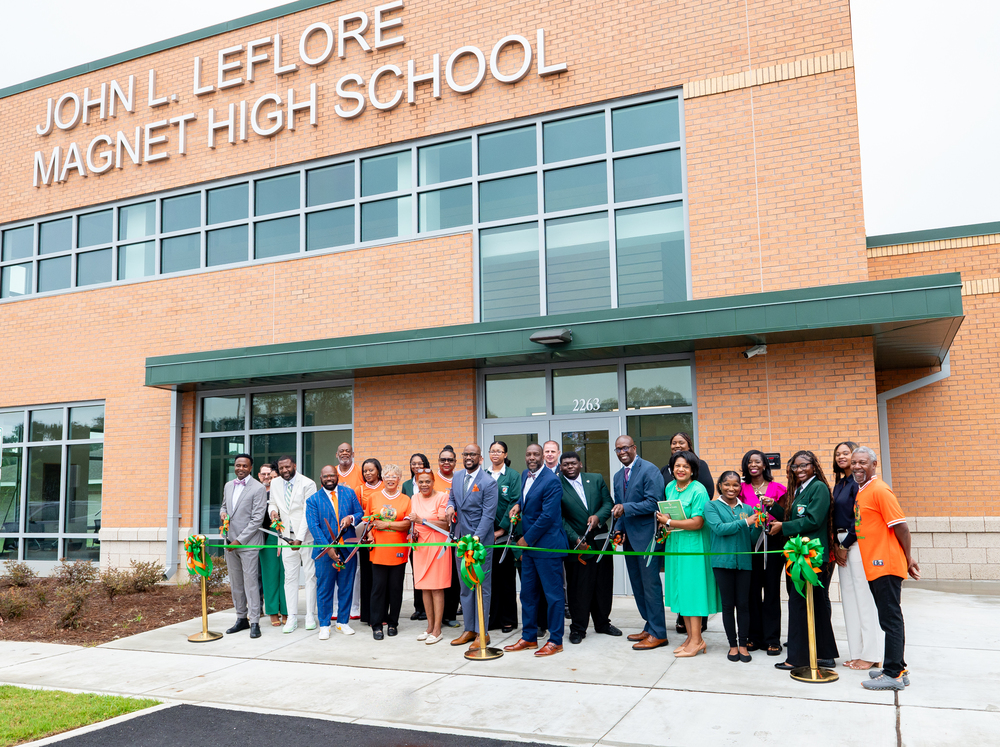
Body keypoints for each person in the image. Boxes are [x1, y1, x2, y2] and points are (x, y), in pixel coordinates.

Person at [852, 446, 921, 691]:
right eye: (854, 462)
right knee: (888, 619)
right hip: (875, 564)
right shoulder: (864, 490)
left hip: (885, 564)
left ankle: (893, 674)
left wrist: (908, 558)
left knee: (891, 620)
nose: (857, 466)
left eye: (862, 462)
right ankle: (898, 668)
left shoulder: (880, 490)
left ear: (874, 464)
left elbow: (901, 526)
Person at [769, 450, 839, 670]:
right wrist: (773, 507)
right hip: (800, 554)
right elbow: (793, 517)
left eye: (803, 465)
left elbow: (813, 520)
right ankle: (825, 654)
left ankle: (797, 658)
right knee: (813, 605)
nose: (798, 470)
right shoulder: (800, 489)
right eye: (795, 466)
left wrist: (783, 527)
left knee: (799, 605)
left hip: (811, 557)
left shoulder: (818, 487)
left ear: (814, 466)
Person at [504, 443, 568, 656]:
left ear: (543, 457)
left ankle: (556, 640)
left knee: (553, 596)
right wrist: (518, 504)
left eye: (536, 454)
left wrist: (526, 539)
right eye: (528, 454)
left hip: (547, 546)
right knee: (527, 594)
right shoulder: (525, 475)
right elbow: (528, 498)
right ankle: (529, 637)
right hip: (530, 550)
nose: (532, 457)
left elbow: (548, 516)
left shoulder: (552, 480)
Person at [656, 450, 720, 657]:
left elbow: (698, 522)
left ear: (692, 470)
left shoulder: (698, 490)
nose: (681, 469)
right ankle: (691, 638)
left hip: (693, 546)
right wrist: (665, 522)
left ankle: (698, 640)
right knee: (681, 590)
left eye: (685, 466)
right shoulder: (670, 487)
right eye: (677, 466)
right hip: (675, 544)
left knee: (693, 592)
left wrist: (668, 521)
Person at [611, 435, 668, 649]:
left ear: (634, 448)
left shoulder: (649, 470)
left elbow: (654, 503)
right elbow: (619, 505)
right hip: (629, 540)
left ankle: (659, 633)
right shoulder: (618, 476)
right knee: (638, 586)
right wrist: (618, 529)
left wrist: (626, 508)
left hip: (647, 538)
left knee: (651, 586)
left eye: (625, 448)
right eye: (618, 449)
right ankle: (650, 625)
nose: (622, 452)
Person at [831, 441, 884, 670]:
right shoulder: (840, 484)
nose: (841, 457)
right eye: (838, 454)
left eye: (846, 453)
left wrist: (845, 544)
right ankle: (857, 652)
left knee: (864, 598)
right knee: (849, 600)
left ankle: (872, 654)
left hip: (856, 543)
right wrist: (836, 543)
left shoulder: (860, 484)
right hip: (841, 542)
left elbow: (858, 518)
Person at [559, 451, 620, 643]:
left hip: (601, 543)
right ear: (560, 467)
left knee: (603, 586)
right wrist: (575, 538)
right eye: (566, 464)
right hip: (578, 546)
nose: (570, 467)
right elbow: (558, 517)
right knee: (579, 589)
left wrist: (598, 517)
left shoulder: (595, 479)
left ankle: (602, 623)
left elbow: (608, 503)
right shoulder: (556, 484)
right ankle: (578, 628)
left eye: (573, 463)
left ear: (580, 464)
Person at [445, 444, 499, 650]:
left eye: (473, 454)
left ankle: (482, 632)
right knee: (466, 586)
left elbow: (488, 515)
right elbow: (452, 498)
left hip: (479, 543)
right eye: (466, 454)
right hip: (461, 541)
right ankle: (469, 629)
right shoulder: (457, 476)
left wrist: (475, 539)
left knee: (481, 587)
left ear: (480, 458)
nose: (469, 457)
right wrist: (450, 506)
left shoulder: (488, 482)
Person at [705, 470, 759, 663]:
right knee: (728, 606)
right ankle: (732, 645)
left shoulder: (748, 509)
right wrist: (745, 522)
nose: (731, 488)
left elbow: (752, 539)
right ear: (720, 485)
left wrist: (758, 525)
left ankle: (743, 645)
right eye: (727, 484)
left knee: (743, 605)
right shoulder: (711, 506)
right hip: (722, 562)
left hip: (744, 563)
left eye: (735, 485)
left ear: (740, 487)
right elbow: (719, 529)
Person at [305, 465, 363, 639]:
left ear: (337, 476)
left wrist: (351, 518)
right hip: (324, 553)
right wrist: (328, 548)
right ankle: (324, 624)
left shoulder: (349, 493)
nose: (329, 478)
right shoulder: (313, 500)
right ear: (320, 478)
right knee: (325, 588)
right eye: (325, 476)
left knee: (346, 586)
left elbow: (360, 512)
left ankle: (343, 622)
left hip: (347, 549)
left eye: (332, 475)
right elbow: (314, 526)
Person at [740, 449, 786, 655]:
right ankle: (754, 636)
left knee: (772, 591)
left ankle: (772, 638)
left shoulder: (778, 488)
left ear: (765, 465)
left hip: (773, 543)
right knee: (752, 591)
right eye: (749, 462)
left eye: (757, 461)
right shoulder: (741, 488)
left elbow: (785, 515)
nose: (753, 465)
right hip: (750, 544)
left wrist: (772, 506)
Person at [268, 455, 319, 633]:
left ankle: (310, 614)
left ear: (294, 466)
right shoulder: (275, 483)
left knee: (310, 576)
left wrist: (300, 538)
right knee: (290, 577)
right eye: (281, 468)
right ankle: (292, 617)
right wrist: (272, 512)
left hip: (306, 538)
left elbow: (308, 513)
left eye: (287, 467)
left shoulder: (308, 484)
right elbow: (272, 503)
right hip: (285, 538)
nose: (284, 470)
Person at [221, 454, 267, 639]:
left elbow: (257, 519)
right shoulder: (228, 485)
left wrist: (239, 541)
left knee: (251, 583)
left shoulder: (258, 488)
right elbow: (224, 506)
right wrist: (223, 513)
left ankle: (254, 621)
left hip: (248, 543)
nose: (240, 468)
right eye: (238, 465)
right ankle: (241, 618)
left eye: (244, 466)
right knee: (236, 583)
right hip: (229, 542)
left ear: (250, 468)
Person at [367, 464, 412, 640]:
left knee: (395, 588)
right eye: (387, 476)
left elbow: (406, 524)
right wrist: (370, 535)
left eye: (394, 476)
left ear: (399, 479)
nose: (390, 479)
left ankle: (393, 623)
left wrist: (386, 524)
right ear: (382, 478)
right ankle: (377, 624)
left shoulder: (405, 500)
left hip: (398, 550)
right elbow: (368, 522)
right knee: (378, 588)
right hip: (379, 550)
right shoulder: (374, 497)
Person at [409, 469, 452, 644]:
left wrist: (422, 521)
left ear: (433, 482)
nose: (424, 485)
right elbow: (413, 522)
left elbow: (446, 524)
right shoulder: (414, 498)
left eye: (428, 481)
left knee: (436, 588)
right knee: (424, 587)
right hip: (420, 545)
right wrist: (413, 532)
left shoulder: (442, 497)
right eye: (421, 482)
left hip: (437, 545)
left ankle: (437, 630)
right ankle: (429, 627)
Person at [486, 441, 520, 633]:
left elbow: (514, 502)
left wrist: (500, 531)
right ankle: (494, 618)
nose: (495, 454)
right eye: (493, 451)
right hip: (485, 535)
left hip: (505, 535)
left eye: (499, 451)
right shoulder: (484, 474)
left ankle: (508, 620)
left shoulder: (513, 476)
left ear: (505, 454)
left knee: (506, 579)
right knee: (490, 579)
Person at [336, 442, 365, 620]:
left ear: (353, 454)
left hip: (357, 523)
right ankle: (336, 606)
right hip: (336, 526)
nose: (345, 453)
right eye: (342, 451)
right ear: (337, 454)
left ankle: (355, 606)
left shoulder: (360, 472)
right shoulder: (332, 472)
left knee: (355, 566)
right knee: (336, 564)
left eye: (348, 451)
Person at [258, 462, 287, 628]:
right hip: (268, 534)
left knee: (286, 574)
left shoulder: (286, 492)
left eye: (275, 477)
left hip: (286, 535)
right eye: (270, 477)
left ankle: (286, 610)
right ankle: (272, 611)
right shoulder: (261, 493)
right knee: (270, 575)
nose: (271, 479)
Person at [402, 453, 431, 622]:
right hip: (413, 534)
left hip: (429, 532)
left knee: (429, 572)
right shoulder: (406, 485)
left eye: (420, 463)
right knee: (416, 571)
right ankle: (418, 607)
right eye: (413, 463)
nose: (417, 466)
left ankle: (428, 609)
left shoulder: (430, 483)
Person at [436, 445, 462, 628]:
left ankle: (450, 614)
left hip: (457, 535)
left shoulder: (460, 478)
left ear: (455, 462)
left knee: (454, 576)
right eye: (443, 459)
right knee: (439, 577)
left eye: (450, 460)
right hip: (436, 535)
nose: (446, 462)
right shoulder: (432, 479)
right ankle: (437, 614)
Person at [356, 458, 384, 626]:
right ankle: (368, 615)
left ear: (378, 471)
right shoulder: (359, 489)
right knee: (367, 576)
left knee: (382, 577)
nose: (367, 473)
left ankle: (382, 614)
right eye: (365, 471)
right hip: (366, 537)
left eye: (371, 470)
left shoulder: (386, 486)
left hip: (384, 536)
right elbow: (357, 512)